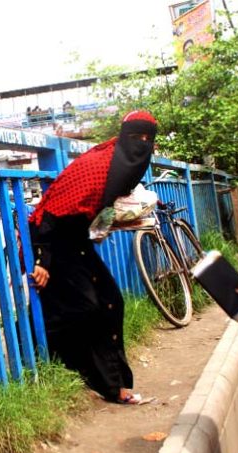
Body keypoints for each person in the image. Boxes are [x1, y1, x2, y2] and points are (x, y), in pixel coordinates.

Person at [28, 110, 157, 404]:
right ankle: (52, 362)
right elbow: (51, 213)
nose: (142, 144)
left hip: (74, 238)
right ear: (124, 138)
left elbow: (95, 211)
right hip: (51, 238)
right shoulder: (98, 166)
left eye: (148, 139)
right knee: (84, 307)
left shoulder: (120, 166)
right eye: (136, 137)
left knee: (112, 301)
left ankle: (116, 383)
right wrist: (42, 259)